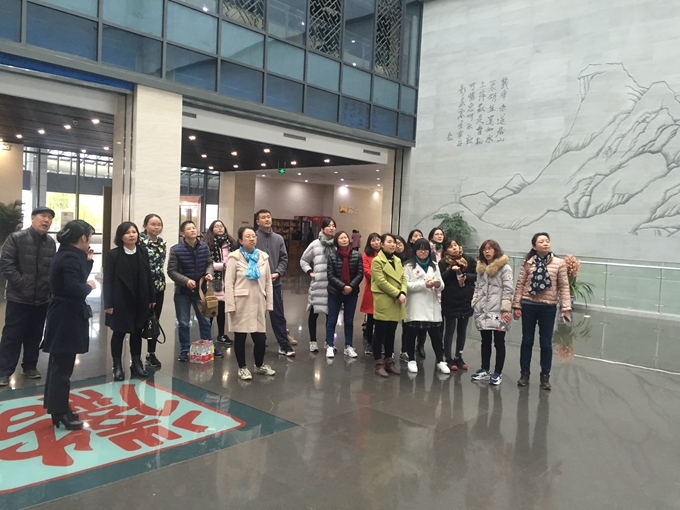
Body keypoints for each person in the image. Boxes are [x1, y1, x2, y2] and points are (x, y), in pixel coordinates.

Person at [42, 220, 96, 430]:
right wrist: (89, 286)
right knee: (63, 368)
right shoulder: (70, 257)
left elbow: (73, 279)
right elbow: (75, 288)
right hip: (66, 316)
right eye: (89, 237)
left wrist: (88, 262)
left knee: (59, 365)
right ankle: (60, 412)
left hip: (62, 313)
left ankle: (57, 407)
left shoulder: (66, 253)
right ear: (82, 238)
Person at [0, 206, 56, 386]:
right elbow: (6, 264)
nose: (46, 220)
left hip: (42, 298)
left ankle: (30, 366)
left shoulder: (51, 242)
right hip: (19, 297)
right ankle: (4, 371)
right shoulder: (16, 238)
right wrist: (23, 283)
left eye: (50, 218)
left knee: (35, 334)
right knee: (12, 335)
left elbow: (52, 269)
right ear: (33, 218)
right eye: (43, 216)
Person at [512, 232, 571, 390]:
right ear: (534, 246)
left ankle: (545, 376)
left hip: (548, 306)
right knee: (527, 341)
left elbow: (564, 286)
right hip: (528, 304)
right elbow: (520, 283)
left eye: (547, 241)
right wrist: (516, 305)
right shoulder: (528, 262)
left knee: (546, 343)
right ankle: (524, 374)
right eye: (541, 241)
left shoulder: (559, 263)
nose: (545, 243)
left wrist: (565, 308)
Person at [104, 222, 156, 380]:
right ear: (121, 236)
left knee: (137, 332)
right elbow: (108, 280)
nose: (132, 235)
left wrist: (152, 297)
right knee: (119, 333)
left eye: (134, 232)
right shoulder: (113, 255)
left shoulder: (142, 251)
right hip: (120, 300)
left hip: (140, 298)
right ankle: (117, 365)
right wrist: (108, 303)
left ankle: (136, 363)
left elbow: (148, 275)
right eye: (127, 233)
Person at [225, 226, 275, 380]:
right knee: (240, 337)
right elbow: (229, 283)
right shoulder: (234, 257)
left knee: (260, 338)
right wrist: (230, 305)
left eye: (253, 236)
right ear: (240, 240)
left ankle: (259, 365)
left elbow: (268, 282)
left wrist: (269, 303)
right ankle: (242, 368)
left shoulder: (263, 257)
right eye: (247, 236)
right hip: (241, 303)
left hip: (259, 302)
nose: (252, 239)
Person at [168, 220, 222, 362]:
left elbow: (209, 263)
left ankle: (209, 347)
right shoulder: (176, 250)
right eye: (189, 228)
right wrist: (185, 281)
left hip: (200, 292)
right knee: (183, 323)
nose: (193, 230)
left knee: (205, 321)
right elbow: (171, 271)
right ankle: (184, 350)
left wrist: (208, 273)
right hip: (182, 293)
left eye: (194, 227)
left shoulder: (204, 247)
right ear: (182, 233)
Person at [403, 238, 450, 375]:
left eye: (425, 249)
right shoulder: (408, 266)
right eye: (420, 249)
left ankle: (440, 361)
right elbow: (405, 285)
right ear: (415, 250)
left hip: (431, 305)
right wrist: (423, 284)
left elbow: (442, 285)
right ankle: (411, 360)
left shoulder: (434, 265)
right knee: (411, 334)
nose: (423, 252)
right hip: (415, 305)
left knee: (436, 336)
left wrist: (437, 284)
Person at [471, 240, 513, 386]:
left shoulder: (505, 268)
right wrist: (475, 301)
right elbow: (477, 287)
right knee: (485, 341)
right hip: (483, 310)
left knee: (499, 342)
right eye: (484, 249)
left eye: (490, 249)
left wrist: (506, 309)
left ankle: (497, 372)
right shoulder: (481, 268)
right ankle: (485, 369)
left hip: (499, 311)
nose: (487, 251)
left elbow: (508, 289)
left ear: (496, 250)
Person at [255, 209, 296, 357]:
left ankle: (283, 345)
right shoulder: (253, 237)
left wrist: (278, 272)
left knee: (278, 315)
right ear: (257, 221)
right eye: (263, 217)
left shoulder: (278, 238)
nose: (267, 219)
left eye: (269, 217)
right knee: (258, 315)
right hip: (256, 284)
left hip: (275, 283)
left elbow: (284, 258)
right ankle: (259, 343)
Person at [371, 233, 407, 377]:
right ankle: (378, 363)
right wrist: (398, 294)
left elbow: (403, 278)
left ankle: (389, 361)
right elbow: (381, 282)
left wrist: (403, 292)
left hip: (397, 300)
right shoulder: (377, 261)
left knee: (391, 333)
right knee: (379, 333)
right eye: (389, 242)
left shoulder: (397, 259)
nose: (393, 245)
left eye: (394, 242)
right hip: (385, 299)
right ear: (382, 244)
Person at [439, 237, 477, 371]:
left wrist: (467, 277)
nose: (454, 248)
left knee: (462, 330)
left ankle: (459, 356)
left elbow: (477, 275)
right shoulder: (443, 262)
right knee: (449, 330)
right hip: (450, 300)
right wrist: (451, 270)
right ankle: (448, 357)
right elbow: (440, 278)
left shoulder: (468, 259)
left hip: (465, 299)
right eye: (450, 246)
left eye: (455, 245)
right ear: (446, 250)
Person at [300, 218, 336, 353]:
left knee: (330, 315)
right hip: (318, 284)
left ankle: (328, 341)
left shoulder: (337, 244)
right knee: (313, 313)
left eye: (333, 226)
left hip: (333, 285)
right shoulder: (315, 244)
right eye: (328, 226)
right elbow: (304, 260)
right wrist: (310, 271)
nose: (331, 228)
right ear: (322, 229)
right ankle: (313, 341)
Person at [326, 231, 363, 358]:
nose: (344, 240)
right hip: (335, 292)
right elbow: (330, 275)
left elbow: (360, 273)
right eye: (341, 238)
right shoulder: (332, 256)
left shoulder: (357, 255)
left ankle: (348, 346)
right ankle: (329, 345)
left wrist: (350, 286)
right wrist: (342, 286)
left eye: (345, 237)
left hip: (351, 293)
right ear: (337, 241)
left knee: (349, 320)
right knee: (332, 320)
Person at [140, 213, 167, 368]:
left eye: (159, 224)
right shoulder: (140, 242)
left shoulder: (162, 243)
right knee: (139, 322)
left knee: (154, 321)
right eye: (153, 224)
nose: (157, 227)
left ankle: (151, 353)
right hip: (143, 287)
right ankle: (135, 356)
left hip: (159, 287)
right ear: (145, 226)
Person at [203, 219, 236, 347]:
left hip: (227, 279)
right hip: (214, 279)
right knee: (212, 306)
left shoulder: (230, 243)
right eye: (216, 226)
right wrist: (222, 266)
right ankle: (207, 335)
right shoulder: (207, 244)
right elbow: (207, 263)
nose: (220, 228)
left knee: (222, 308)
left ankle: (221, 334)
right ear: (212, 229)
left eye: (221, 226)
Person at [360, 233, 381, 355]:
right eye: (373, 240)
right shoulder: (366, 255)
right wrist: (381, 278)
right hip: (371, 290)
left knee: (381, 319)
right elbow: (367, 272)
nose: (376, 242)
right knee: (370, 318)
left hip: (384, 291)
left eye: (378, 240)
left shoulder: (385, 254)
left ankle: (380, 342)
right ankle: (369, 343)